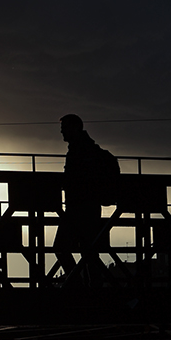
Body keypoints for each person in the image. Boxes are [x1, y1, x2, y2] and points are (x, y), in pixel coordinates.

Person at [55, 114, 110, 284]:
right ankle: (91, 287)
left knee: (62, 247)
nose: (62, 132)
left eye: (64, 129)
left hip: (80, 208)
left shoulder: (81, 150)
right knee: (88, 250)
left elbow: (79, 179)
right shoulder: (87, 148)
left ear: (74, 128)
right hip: (88, 207)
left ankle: (78, 284)